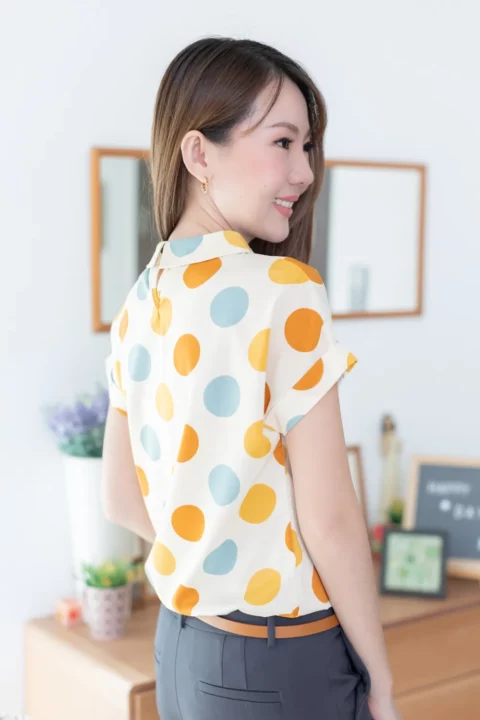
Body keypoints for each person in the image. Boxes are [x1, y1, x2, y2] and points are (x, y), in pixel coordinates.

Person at [101, 37, 401, 720]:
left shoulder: (141, 300)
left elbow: (120, 499)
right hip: (279, 662)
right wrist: (381, 681)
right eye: (283, 142)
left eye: (308, 146)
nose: (305, 171)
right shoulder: (283, 290)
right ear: (199, 154)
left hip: (183, 650)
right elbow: (331, 519)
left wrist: (211, 554)